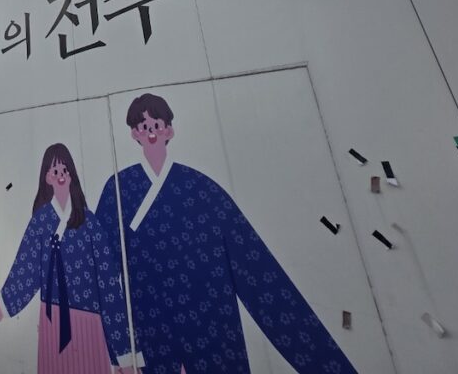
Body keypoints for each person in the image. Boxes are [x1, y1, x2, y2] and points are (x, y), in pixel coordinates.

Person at [96, 94, 357, 374]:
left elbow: (258, 273)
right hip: (149, 328)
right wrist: (121, 350)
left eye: (156, 125)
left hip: (211, 322)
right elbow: (102, 273)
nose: (150, 133)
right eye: (143, 127)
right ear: (134, 133)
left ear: (169, 129)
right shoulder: (118, 190)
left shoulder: (203, 190)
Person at [0, 143, 144, 373]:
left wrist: (122, 351)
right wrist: (6, 302)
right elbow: (27, 265)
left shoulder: (90, 223)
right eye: (55, 171)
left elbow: (108, 281)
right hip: (53, 318)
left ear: (72, 175)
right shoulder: (41, 221)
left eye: (65, 170)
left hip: (90, 319)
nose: (61, 175)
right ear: (47, 177)